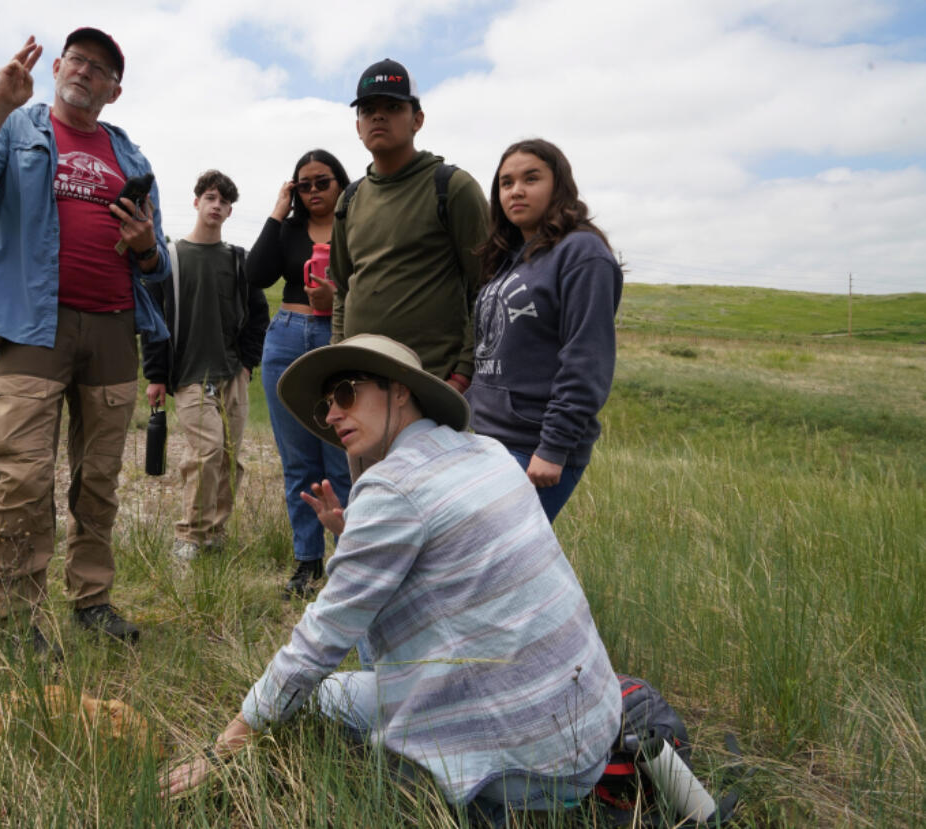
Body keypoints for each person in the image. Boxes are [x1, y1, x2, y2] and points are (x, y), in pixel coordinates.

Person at [159, 334, 622, 826]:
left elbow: (322, 637)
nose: (332, 415)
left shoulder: (393, 487)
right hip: (587, 730)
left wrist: (227, 744)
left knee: (318, 699)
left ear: (400, 390)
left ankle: (475, 801)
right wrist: (351, 538)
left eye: (345, 393)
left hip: (528, 762)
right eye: (325, 405)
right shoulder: (487, 451)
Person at [0, 29, 169, 646]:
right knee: (22, 478)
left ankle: (91, 603)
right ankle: (11, 620)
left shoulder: (134, 160)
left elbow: (159, 263)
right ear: (58, 66)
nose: (87, 73)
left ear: (114, 91)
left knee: (99, 480)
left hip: (117, 328)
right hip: (33, 325)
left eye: (102, 70)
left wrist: (145, 249)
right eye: (79, 61)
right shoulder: (16, 130)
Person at [467, 139, 623, 522]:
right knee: (474, 567)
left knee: (499, 568)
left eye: (531, 178)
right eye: (506, 183)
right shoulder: (509, 260)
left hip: (531, 447)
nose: (516, 190)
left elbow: (586, 359)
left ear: (559, 185)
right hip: (484, 438)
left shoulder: (582, 253)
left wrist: (553, 447)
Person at [329, 59, 488, 396]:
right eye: (368, 109)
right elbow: (344, 289)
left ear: (417, 119)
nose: (378, 115)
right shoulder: (349, 199)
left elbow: (487, 289)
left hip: (430, 383)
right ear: (358, 126)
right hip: (361, 384)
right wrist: (336, 358)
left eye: (393, 106)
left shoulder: (452, 188)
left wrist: (462, 373)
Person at [143, 171, 269, 561]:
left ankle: (215, 534)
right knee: (207, 451)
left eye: (225, 202)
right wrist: (156, 376)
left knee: (230, 457)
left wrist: (248, 364)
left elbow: (258, 316)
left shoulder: (238, 259)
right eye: (211, 197)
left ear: (230, 212)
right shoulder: (172, 257)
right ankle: (189, 537)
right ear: (196, 201)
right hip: (189, 375)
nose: (217, 205)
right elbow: (153, 320)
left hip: (231, 374)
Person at [246, 150, 354, 597]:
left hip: (338, 334)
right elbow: (255, 272)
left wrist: (337, 295)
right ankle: (307, 563)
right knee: (298, 460)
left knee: (341, 455)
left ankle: (349, 560)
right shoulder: (288, 229)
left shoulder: (356, 226)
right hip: (287, 336)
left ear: (340, 183)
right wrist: (277, 209)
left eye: (321, 182)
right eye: (303, 184)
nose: (313, 191)